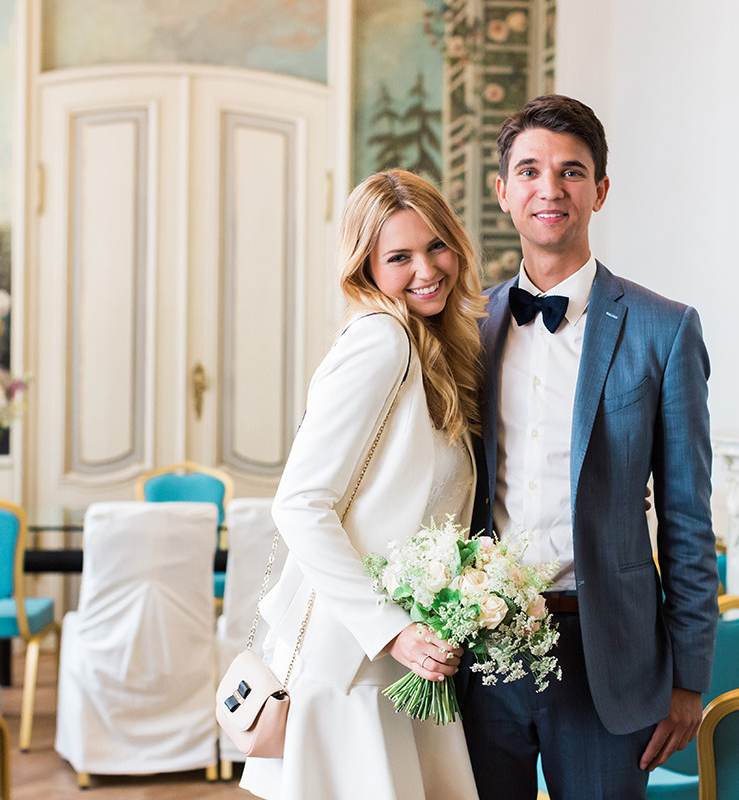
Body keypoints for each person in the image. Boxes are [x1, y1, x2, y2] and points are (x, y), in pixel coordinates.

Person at [460, 94, 718, 799]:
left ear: (600, 191)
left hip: (610, 654)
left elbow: (689, 520)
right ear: (504, 191)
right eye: (531, 171)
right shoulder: (462, 328)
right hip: (480, 651)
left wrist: (689, 678)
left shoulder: (665, 330)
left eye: (572, 172)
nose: (551, 189)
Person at [240, 169, 486, 800]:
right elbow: (299, 504)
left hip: (397, 656)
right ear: (366, 269)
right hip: (353, 660)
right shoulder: (382, 341)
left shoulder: (435, 345)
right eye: (398, 257)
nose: (426, 269)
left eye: (435, 246)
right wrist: (390, 629)